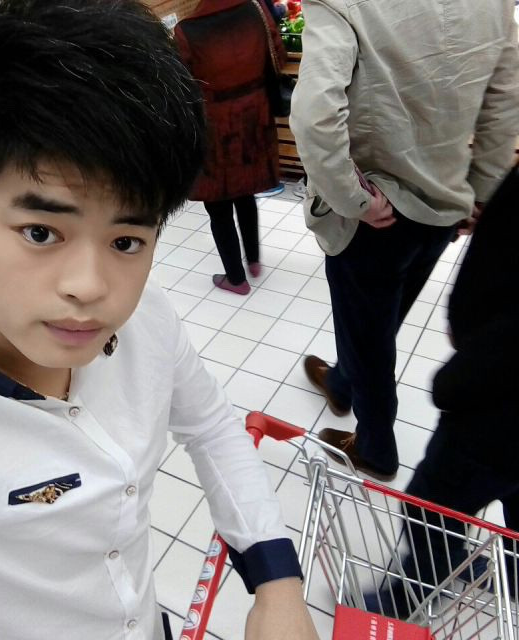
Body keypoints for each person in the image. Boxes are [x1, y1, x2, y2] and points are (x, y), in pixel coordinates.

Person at [0, 2, 319, 639]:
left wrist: (277, 583)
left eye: (126, 241)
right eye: (40, 231)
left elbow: (211, 426)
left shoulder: (148, 320)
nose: (89, 288)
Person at [290, 0, 519, 480]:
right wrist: (482, 192)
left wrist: (353, 200)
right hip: (444, 201)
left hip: (377, 211)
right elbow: (503, 105)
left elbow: (314, 117)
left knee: (369, 329)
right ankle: (341, 383)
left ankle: (375, 448)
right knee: (380, 318)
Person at [365, 160, 519, 619]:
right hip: (498, 389)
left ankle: (413, 593)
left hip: (496, 411)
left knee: (431, 507)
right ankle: (511, 577)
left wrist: (451, 384)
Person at [174, 0, 287, 295]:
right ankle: (254, 261)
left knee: (219, 207)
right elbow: (278, 54)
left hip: (215, 127)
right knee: (246, 192)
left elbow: (182, 89)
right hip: (254, 118)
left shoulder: (186, 31)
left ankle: (236, 280)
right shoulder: (255, 11)